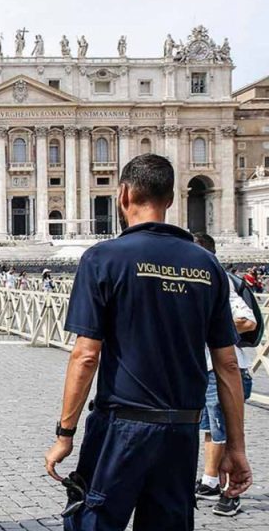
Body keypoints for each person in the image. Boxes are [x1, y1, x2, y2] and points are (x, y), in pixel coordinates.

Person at [45, 154, 252, 531]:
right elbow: (227, 364)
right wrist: (236, 447)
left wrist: (65, 433)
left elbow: (86, 356)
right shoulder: (207, 266)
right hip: (182, 431)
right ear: (170, 199)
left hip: (122, 427)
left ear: (123, 194)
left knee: (93, 522)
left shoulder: (103, 258)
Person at [191, 233, 256, 517]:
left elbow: (247, 321)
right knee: (210, 430)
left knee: (225, 434)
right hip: (206, 370)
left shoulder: (221, 281)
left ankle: (231, 493)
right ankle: (210, 482)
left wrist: (209, 328)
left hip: (225, 371)